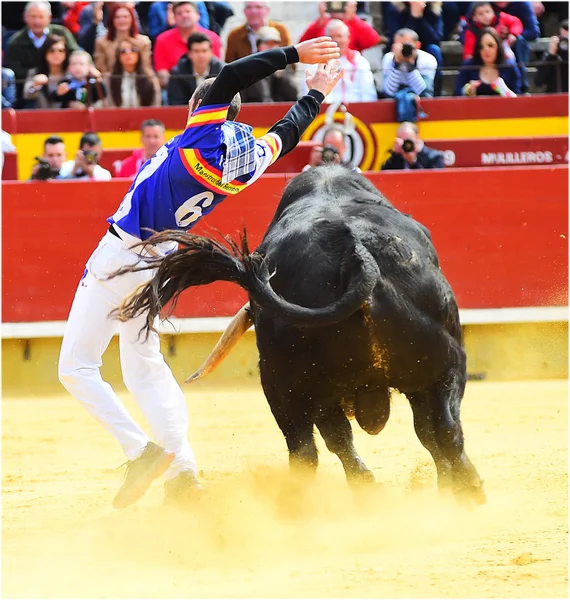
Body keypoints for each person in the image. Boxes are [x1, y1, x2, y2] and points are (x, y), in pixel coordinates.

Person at [57, 37, 343, 510]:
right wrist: (314, 94)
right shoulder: (249, 157)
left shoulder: (198, 133)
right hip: (156, 267)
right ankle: (183, 472)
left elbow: (231, 74)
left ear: (200, 107)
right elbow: (287, 133)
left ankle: (140, 451)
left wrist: (294, 55)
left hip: (120, 255)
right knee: (144, 369)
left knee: (76, 367)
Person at [3, 1, 78, 106]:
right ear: (25, 17)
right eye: (33, 17)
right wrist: (37, 75)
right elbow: (14, 69)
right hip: (32, 87)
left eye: (41, 17)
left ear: (49, 17)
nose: (37, 21)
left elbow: (76, 54)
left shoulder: (62, 33)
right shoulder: (16, 41)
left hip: (63, 80)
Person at [302, 19, 377, 103]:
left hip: (355, 112)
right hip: (323, 113)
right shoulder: (315, 64)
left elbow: (369, 96)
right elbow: (308, 96)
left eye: (339, 36)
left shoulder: (360, 61)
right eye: (332, 37)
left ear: (348, 38)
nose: (336, 40)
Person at [153, 1, 222, 89]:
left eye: (188, 11)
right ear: (173, 17)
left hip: (210, 87)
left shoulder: (213, 38)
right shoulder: (162, 39)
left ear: (198, 15)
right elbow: (162, 72)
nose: (184, 15)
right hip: (175, 88)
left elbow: (216, 68)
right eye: (179, 13)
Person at [455, 27, 520, 97]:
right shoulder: (468, 66)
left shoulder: (509, 66)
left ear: (498, 46)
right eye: (481, 47)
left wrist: (504, 90)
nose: (486, 50)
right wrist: (467, 91)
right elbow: (456, 95)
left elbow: (518, 100)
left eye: (490, 45)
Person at [239, 26, 298, 103]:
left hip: (279, 111)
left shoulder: (285, 65)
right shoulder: (248, 67)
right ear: (258, 46)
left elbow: (293, 95)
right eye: (267, 43)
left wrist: (281, 77)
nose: (271, 47)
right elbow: (242, 98)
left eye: (274, 44)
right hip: (255, 111)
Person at [300, 1, 382, 53]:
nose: (338, 7)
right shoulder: (322, 22)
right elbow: (302, 45)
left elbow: (373, 40)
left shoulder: (353, 23)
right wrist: (320, 21)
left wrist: (352, 17)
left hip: (349, 70)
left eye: (342, 3)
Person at [94, 3, 153, 77]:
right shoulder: (101, 42)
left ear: (132, 19)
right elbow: (101, 70)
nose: (122, 20)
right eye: (117, 17)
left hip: (138, 82)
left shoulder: (144, 42)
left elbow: (146, 69)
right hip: (111, 82)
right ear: (112, 20)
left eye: (125, 17)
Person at [167, 32, 224, 106]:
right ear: (189, 54)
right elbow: (176, 103)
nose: (201, 55)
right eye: (196, 51)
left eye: (204, 51)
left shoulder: (222, 71)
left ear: (211, 52)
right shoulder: (178, 73)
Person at [224, 1, 292, 63]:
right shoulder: (234, 35)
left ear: (267, 10)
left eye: (258, 7)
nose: (253, 11)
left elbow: (290, 60)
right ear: (244, 11)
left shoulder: (280, 30)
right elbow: (229, 63)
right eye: (249, 7)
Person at [381, 27, 438, 98]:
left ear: (417, 45)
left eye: (406, 46)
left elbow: (423, 93)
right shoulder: (388, 58)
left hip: (420, 102)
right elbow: (388, 92)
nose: (402, 50)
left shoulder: (428, 59)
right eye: (398, 46)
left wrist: (410, 65)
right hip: (395, 100)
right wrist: (397, 64)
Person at [105, 38, 161, 107]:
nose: (128, 53)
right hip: (118, 116)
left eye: (133, 50)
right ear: (118, 56)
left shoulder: (150, 78)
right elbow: (109, 105)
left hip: (145, 116)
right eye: (123, 51)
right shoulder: (110, 79)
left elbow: (155, 105)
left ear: (138, 54)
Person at [23, 34, 70, 109]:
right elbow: (27, 95)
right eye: (52, 51)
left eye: (61, 51)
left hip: (67, 117)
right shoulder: (35, 72)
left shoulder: (70, 74)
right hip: (40, 116)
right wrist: (36, 85)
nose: (56, 54)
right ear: (45, 53)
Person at [534, 19, 568, 93]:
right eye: (563, 39)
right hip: (556, 99)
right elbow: (538, 81)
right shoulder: (552, 56)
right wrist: (551, 55)